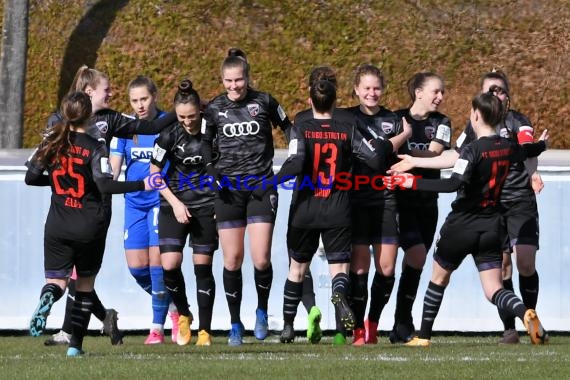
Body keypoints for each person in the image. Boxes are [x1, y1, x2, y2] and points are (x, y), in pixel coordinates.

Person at [393, 70, 544, 344]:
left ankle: (423, 336)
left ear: (476, 116)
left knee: (438, 277)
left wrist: (411, 183)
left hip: (463, 223)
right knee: (493, 288)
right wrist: (542, 144)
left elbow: (451, 185)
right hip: (492, 226)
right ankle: (525, 311)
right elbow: (528, 151)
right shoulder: (508, 147)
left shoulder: (473, 150)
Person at [43, 66, 176, 346]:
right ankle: (101, 320)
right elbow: (41, 165)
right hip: (67, 206)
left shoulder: (109, 119)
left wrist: (182, 109)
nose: (112, 93)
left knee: (80, 275)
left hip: (95, 209)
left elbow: (149, 128)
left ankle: (74, 333)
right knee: (79, 276)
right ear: (90, 92)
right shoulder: (59, 120)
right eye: (107, 89)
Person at [26, 91, 154, 356]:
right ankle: (75, 347)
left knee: (57, 281)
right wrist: (142, 183)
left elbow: (31, 177)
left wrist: (58, 184)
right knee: (84, 286)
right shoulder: (95, 146)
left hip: (57, 226)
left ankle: (48, 296)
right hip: (88, 225)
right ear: (89, 115)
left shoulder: (53, 140)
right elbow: (105, 184)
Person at [275, 79, 394, 344]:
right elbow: (375, 159)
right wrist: (384, 145)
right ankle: (339, 296)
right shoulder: (347, 127)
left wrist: (271, 182)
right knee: (339, 269)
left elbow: (294, 163)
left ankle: (287, 325)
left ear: (310, 100)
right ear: (336, 101)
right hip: (338, 208)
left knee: (297, 270)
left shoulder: (301, 126)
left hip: (305, 208)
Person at [201, 51, 292, 346]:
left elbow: (290, 129)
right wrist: (211, 169)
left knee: (261, 257)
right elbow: (204, 143)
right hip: (228, 190)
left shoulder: (264, 102)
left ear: (247, 77)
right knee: (232, 259)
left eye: (239, 80)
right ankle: (235, 324)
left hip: (261, 187)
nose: (234, 86)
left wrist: (295, 156)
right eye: (228, 81)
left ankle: (262, 311)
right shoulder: (214, 108)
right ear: (222, 80)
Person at [344, 64, 411, 346]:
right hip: (357, 199)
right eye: (366, 88)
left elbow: (401, 160)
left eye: (376, 88)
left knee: (386, 268)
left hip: (385, 199)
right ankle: (358, 330)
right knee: (359, 269)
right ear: (357, 89)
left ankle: (373, 323)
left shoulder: (393, 119)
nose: (372, 93)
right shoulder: (346, 118)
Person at [109, 75, 178, 345]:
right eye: (134, 100)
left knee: (155, 265)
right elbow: (114, 169)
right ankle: (174, 306)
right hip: (134, 203)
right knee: (137, 268)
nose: (139, 105)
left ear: (155, 96)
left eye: (144, 99)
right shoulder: (124, 130)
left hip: (159, 201)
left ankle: (157, 328)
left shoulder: (167, 126)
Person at [150, 79, 218, 346]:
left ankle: (205, 330)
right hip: (174, 204)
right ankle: (184, 314)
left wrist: (218, 204)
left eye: (192, 117)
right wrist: (176, 203)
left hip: (205, 205)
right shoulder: (167, 134)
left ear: (199, 112)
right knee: (169, 264)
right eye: (182, 117)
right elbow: (154, 175)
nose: (188, 122)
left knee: (203, 267)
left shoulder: (212, 132)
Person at [389, 72, 452, 344]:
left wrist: (411, 159)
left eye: (442, 92)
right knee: (414, 256)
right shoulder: (396, 118)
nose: (440, 97)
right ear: (418, 92)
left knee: (417, 261)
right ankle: (401, 321)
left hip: (428, 203)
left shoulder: (441, 122)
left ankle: (399, 324)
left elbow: (437, 152)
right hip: (400, 202)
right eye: (435, 91)